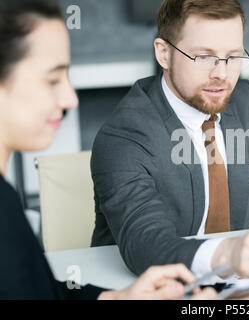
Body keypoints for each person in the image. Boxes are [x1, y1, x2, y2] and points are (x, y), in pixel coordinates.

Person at [91, 0, 249, 283]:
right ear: (163, 53)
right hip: (141, 289)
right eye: (203, 57)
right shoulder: (125, 135)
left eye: (233, 57)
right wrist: (229, 253)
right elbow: (147, 244)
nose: (221, 74)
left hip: (228, 285)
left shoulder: (244, 103)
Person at [0, 0, 219, 300]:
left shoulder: (5, 199)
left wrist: (119, 298)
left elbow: (39, 292)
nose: (69, 99)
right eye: (52, 79)